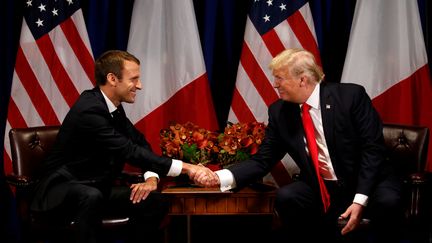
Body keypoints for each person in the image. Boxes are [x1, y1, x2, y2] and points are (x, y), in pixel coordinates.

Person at [194, 48, 403, 242]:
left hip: (368, 180)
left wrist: (359, 200)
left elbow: (372, 149)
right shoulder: (280, 111)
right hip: (322, 185)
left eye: (279, 78)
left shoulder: (350, 97)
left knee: (388, 201)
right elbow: (263, 159)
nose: (275, 84)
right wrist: (218, 177)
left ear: (302, 79)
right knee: (288, 196)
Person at [30, 50, 213, 243]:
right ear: (112, 79)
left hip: (97, 187)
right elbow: (128, 151)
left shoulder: (112, 107)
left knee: (154, 201)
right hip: (60, 189)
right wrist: (187, 167)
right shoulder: (90, 109)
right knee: (91, 197)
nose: (139, 86)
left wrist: (151, 179)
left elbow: (139, 142)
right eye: (134, 79)